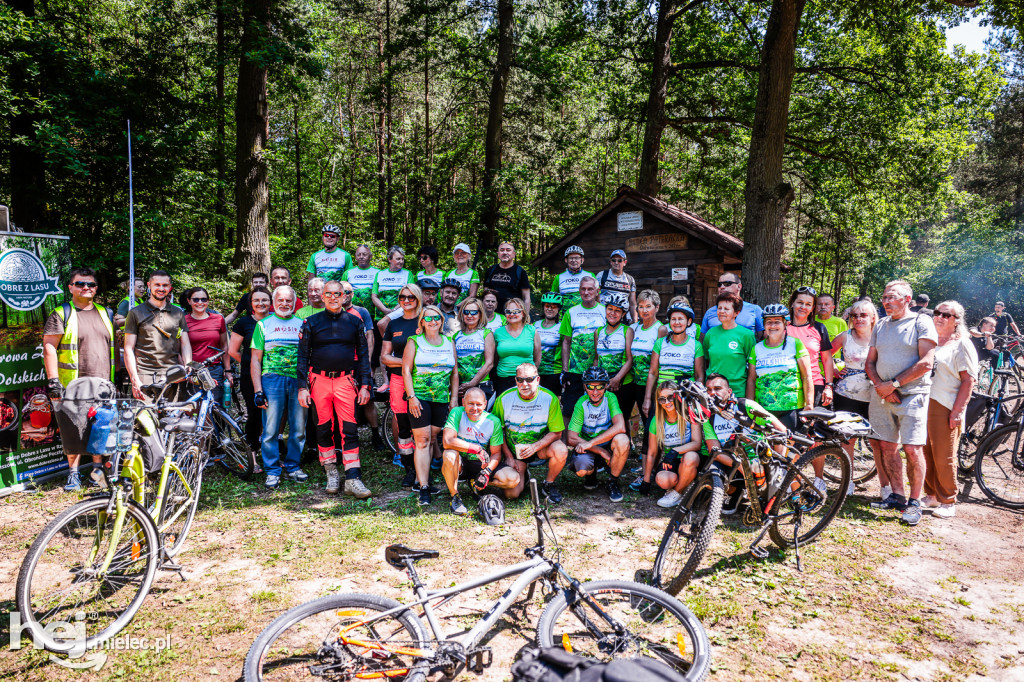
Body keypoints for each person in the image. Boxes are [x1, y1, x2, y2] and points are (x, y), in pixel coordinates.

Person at [866, 279, 938, 526]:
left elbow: (926, 362)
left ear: (907, 299)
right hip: (882, 395)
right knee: (887, 446)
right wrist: (882, 387)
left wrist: (893, 385)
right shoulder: (881, 325)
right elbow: (870, 362)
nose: (885, 301)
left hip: (913, 395)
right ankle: (897, 495)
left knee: (912, 448)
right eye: (884, 297)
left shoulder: (921, 321)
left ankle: (915, 502)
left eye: (891, 297)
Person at [297, 280, 373, 498]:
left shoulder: (354, 321)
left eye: (337, 294)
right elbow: (302, 356)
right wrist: (302, 387)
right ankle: (331, 471)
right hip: (318, 380)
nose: (332, 297)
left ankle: (353, 477)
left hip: (346, 381)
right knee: (323, 427)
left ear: (344, 296)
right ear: (322, 296)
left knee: (349, 428)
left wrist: (365, 384)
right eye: (328, 293)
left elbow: (364, 356)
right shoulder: (310, 322)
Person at [42, 267, 116, 491]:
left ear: (96, 288)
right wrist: (54, 380)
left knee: (99, 427)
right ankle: (73, 474)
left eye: (91, 284)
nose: (86, 288)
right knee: (72, 428)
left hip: (103, 382)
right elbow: (49, 347)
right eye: (80, 284)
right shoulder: (61, 313)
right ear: (71, 287)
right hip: (73, 382)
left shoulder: (105, 312)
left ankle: (96, 471)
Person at [922, 301, 977, 519]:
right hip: (924, 400)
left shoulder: (962, 344)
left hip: (945, 403)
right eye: (937, 313)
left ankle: (948, 499)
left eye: (946, 315)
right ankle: (932, 494)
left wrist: (957, 411)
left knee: (944, 454)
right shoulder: (931, 341)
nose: (940, 317)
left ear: (956, 321)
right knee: (925, 451)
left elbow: (968, 380)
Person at [702, 373, 789, 514]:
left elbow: (780, 430)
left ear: (729, 391)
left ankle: (771, 492)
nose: (712, 393)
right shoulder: (709, 416)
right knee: (709, 477)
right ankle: (736, 492)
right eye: (709, 390)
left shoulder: (745, 405)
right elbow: (714, 450)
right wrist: (743, 466)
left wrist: (778, 467)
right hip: (733, 461)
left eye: (717, 388)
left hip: (759, 459)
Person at [251, 285, 307, 489]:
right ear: (274, 303)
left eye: (288, 300)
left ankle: (293, 466)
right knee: (271, 429)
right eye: (281, 300)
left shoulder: (303, 324)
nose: (285, 303)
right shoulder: (263, 325)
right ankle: (272, 470)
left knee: (299, 427)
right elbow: (255, 360)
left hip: (298, 380)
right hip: (272, 379)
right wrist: (258, 390)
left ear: (294, 302)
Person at [403, 304, 459, 506]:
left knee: (433, 437)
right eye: (428, 318)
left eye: (437, 318)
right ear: (422, 322)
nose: (433, 321)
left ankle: (421, 479)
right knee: (422, 441)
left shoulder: (448, 341)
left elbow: (454, 372)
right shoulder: (414, 341)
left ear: (442, 321)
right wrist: (411, 397)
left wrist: (453, 399)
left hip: (442, 399)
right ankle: (424, 487)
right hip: (420, 397)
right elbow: (406, 371)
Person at [493, 362, 569, 503]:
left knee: (561, 450)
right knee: (512, 494)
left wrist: (535, 447)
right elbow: (497, 432)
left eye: (529, 379)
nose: (524, 384)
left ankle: (549, 483)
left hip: (541, 447)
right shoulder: (504, 398)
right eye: (520, 380)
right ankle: (524, 475)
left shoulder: (549, 398)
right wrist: (508, 456)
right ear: (515, 380)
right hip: (516, 451)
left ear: (538, 380)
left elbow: (557, 433)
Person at [831, 299, 883, 497]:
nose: (859, 319)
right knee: (848, 441)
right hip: (847, 395)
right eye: (855, 315)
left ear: (872, 318)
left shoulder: (881, 336)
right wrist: (835, 369)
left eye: (863, 315)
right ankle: (848, 481)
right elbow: (824, 354)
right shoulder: (845, 336)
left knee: (878, 441)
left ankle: (885, 487)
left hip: (875, 395)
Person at [442, 387, 520, 515]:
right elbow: (447, 441)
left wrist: (487, 473)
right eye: (470, 404)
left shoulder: (493, 421)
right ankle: (455, 496)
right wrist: (477, 449)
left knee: (513, 479)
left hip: (481, 465)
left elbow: (496, 454)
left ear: (485, 404)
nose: (475, 408)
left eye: (479, 404)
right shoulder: (457, 413)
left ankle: (476, 483)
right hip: (460, 463)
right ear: (463, 403)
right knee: (449, 454)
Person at [124, 270, 192, 401]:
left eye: (165, 285)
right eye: (157, 285)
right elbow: (128, 348)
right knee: (145, 419)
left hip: (173, 375)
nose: (161, 288)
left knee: (173, 420)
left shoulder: (178, 313)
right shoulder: (135, 313)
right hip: (145, 375)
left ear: (170, 287)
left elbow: (185, 343)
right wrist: (135, 380)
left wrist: (187, 366)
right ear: (149, 285)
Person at [746, 303, 813, 432]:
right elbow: (751, 380)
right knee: (766, 449)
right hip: (764, 408)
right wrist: (750, 405)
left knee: (789, 447)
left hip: (792, 407)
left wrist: (809, 404)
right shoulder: (757, 348)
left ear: (785, 324)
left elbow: (806, 376)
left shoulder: (795, 344)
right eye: (768, 322)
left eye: (777, 322)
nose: (772, 326)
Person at [566, 367, 630, 501]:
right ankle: (591, 473)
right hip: (590, 447)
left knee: (622, 440)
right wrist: (599, 450)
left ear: (606, 385)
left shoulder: (610, 397)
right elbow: (571, 438)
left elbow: (621, 426)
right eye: (590, 386)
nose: (595, 392)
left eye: (600, 386)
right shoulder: (581, 403)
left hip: (602, 443)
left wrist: (591, 443)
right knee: (582, 470)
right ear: (584, 386)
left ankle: (612, 482)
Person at [381, 284, 423, 488]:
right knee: (404, 426)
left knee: (422, 425)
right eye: (402, 297)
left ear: (418, 298)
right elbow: (385, 356)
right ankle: (409, 470)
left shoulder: (425, 320)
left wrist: (408, 362)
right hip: (398, 380)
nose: (406, 300)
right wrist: (406, 362)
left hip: (422, 381)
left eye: (411, 297)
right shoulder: (393, 324)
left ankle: (424, 467)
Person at [641, 382, 703, 507]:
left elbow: (697, 443)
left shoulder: (689, 413)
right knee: (663, 480)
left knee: (690, 457)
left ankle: (676, 493)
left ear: (678, 396)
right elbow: (652, 453)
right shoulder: (657, 420)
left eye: (670, 397)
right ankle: (686, 487)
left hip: (691, 458)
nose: (667, 402)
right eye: (662, 399)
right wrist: (646, 480)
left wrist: (675, 451)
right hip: (672, 461)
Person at [228, 286, 272, 458]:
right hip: (250, 376)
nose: (260, 303)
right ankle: (252, 453)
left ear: (270, 302)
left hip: (273, 375)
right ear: (250, 303)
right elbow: (233, 351)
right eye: (256, 300)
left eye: (264, 300)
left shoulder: (276, 320)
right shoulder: (244, 323)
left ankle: (271, 451)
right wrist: (250, 363)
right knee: (254, 414)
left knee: (273, 415)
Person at [559, 276, 606, 426]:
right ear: (579, 291)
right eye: (583, 289)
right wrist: (565, 369)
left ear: (597, 291)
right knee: (568, 409)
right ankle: (565, 445)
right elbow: (566, 342)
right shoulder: (571, 312)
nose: (586, 292)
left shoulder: (605, 311)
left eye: (590, 289)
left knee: (598, 410)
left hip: (599, 371)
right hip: (575, 370)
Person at [644, 302, 703, 417]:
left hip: (685, 396)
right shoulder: (660, 343)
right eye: (673, 319)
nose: (676, 322)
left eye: (680, 319)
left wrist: (696, 397)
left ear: (689, 322)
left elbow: (699, 375)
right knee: (650, 432)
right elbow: (652, 373)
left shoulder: (696, 346)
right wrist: (647, 399)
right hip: (662, 397)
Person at [624, 290, 666, 442]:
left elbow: (660, 361)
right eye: (641, 306)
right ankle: (629, 447)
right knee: (624, 416)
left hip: (651, 385)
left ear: (657, 307)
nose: (644, 310)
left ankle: (652, 460)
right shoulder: (634, 328)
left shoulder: (660, 329)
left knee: (650, 423)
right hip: (633, 382)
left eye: (648, 306)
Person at [787, 286, 834, 407]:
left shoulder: (819, 328)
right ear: (792, 303)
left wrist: (828, 386)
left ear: (813, 308)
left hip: (815, 383)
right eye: (800, 302)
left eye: (808, 304)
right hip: (786, 385)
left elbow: (827, 359)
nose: (803, 307)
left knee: (813, 424)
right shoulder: (781, 327)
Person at [701, 293, 755, 397]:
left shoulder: (746, 335)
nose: (721, 311)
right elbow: (706, 361)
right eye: (719, 308)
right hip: (713, 392)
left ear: (736, 312)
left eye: (726, 309)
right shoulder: (711, 333)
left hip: (737, 391)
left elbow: (752, 367)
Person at [184, 287, 231, 405]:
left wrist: (228, 370)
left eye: (203, 299)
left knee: (213, 408)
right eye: (196, 299)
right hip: (193, 370)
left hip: (214, 370)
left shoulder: (218, 319)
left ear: (208, 301)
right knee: (194, 408)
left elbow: (224, 346)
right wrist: (187, 369)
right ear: (189, 301)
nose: (200, 303)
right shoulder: (183, 320)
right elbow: (182, 348)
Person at [594, 294, 634, 410]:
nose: (612, 313)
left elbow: (629, 359)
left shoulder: (627, 331)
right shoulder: (598, 332)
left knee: (622, 417)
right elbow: (597, 359)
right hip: (603, 381)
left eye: (617, 311)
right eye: (610, 309)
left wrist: (617, 379)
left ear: (623, 314)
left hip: (622, 382)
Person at [492, 297, 537, 396]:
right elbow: (495, 359)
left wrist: (531, 375)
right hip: (503, 379)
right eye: (508, 311)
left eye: (516, 311)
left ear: (523, 312)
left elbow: (537, 357)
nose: (512, 314)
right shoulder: (498, 332)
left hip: (527, 379)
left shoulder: (532, 330)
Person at [453, 297, 495, 401]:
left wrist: (472, 383)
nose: (469, 315)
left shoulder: (486, 333)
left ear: (480, 314)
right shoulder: (456, 336)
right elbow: (454, 364)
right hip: (460, 387)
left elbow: (489, 363)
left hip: (481, 384)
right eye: (466, 312)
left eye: (474, 312)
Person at [482, 241, 530, 310]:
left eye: (508, 250)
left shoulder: (520, 272)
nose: (504, 252)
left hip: (513, 314)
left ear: (514, 254)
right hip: (493, 314)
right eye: (502, 250)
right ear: (498, 254)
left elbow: (526, 298)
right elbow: (485, 294)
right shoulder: (490, 270)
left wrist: (526, 317)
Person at [595, 250, 638, 322]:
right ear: (610, 262)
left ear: (625, 262)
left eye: (620, 260)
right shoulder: (601, 275)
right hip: (604, 317)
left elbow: (632, 303)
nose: (616, 262)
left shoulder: (630, 279)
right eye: (614, 260)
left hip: (623, 317)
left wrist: (635, 321)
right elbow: (595, 297)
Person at [535, 292, 564, 395]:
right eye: (547, 305)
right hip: (536, 371)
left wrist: (565, 372)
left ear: (559, 309)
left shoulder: (561, 327)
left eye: (554, 306)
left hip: (553, 372)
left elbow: (566, 349)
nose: (550, 309)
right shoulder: (535, 325)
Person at [551, 245, 595, 311]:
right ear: (566, 260)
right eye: (571, 258)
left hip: (586, 313)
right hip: (564, 315)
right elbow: (553, 297)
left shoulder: (590, 275)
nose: (574, 260)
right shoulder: (559, 277)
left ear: (582, 260)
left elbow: (597, 295)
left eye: (577, 258)